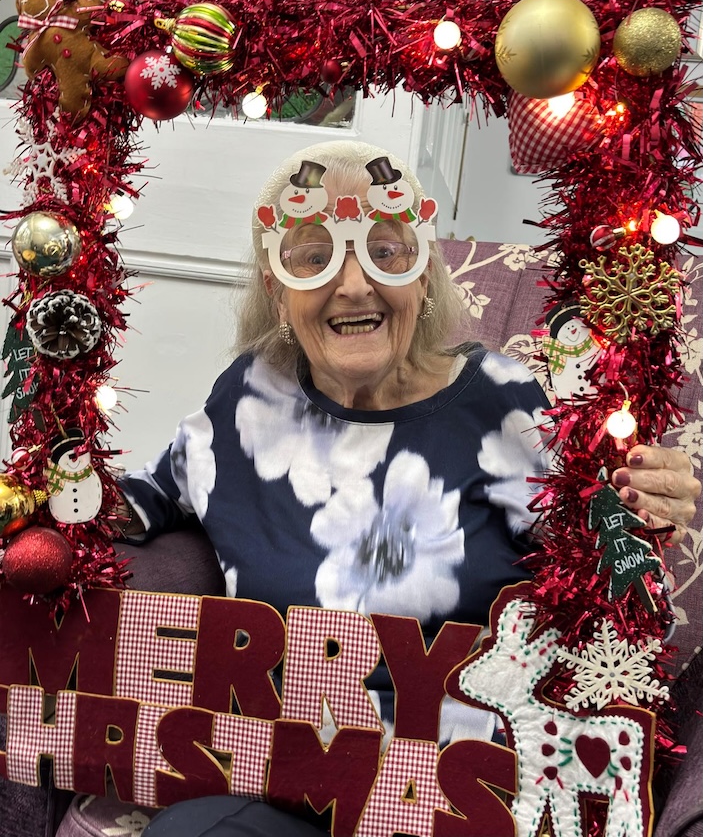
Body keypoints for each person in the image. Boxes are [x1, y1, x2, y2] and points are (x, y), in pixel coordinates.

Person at [112, 141, 700, 836]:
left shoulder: (502, 403)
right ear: (276, 288)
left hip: (461, 796)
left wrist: (644, 510)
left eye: (385, 252)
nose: (354, 284)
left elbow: (614, 590)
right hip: (290, 785)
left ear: (423, 277)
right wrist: (36, 494)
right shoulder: (245, 400)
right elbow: (132, 502)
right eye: (313, 256)